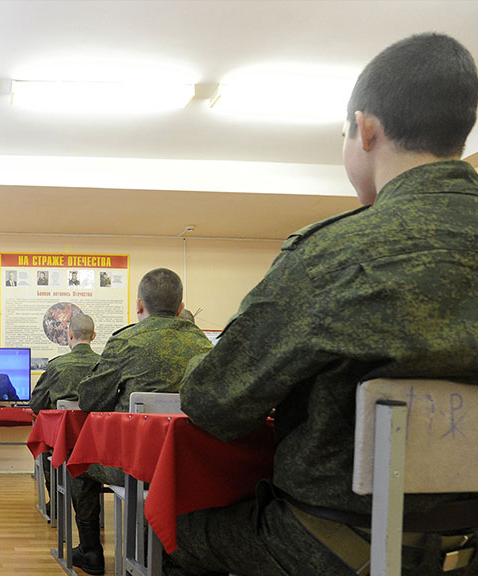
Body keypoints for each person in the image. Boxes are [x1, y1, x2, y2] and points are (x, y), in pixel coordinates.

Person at [168, 33, 478, 576]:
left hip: (333, 545)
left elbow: (211, 402)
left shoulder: (331, 254)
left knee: (176, 532)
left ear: (365, 129)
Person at [70, 268, 212, 575]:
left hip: (136, 469)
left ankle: (91, 552)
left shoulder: (125, 342)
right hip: (192, 468)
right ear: (180, 306)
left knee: (78, 466)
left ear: (138, 305)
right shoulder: (205, 345)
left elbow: (90, 400)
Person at [30, 313, 100, 512]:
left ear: (69, 335)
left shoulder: (55, 366)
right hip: (95, 444)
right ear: (94, 336)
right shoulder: (104, 365)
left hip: (63, 444)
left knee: (45, 449)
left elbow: (36, 405)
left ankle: (56, 504)